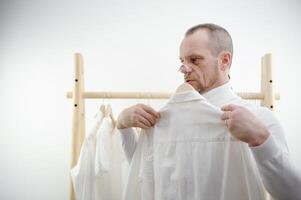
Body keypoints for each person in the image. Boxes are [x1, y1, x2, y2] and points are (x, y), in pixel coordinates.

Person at [117, 23, 301, 199]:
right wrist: (122, 125)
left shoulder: (259, 118)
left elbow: (292, 194)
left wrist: (260, 139)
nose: (184, 69)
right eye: (182, 61)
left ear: (224, 60)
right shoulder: (162, 120)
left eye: (194, 60)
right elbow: (144, 175)